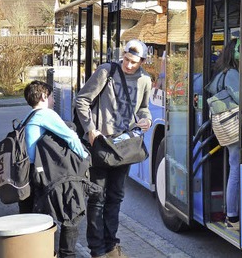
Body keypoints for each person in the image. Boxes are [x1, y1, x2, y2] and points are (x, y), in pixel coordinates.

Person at [75, 39, 152, 258]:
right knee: (97, 197)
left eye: (134, 62)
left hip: (124, 147)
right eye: (127, 60)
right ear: (123, 55)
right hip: (100, 145)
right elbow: (81, 100)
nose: (129, 65)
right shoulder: (106, 71)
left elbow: (144, 108)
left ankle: (111, 246)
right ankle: (97, 250)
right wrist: (90, 128)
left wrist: (146, 120)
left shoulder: (145, 79)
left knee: (116, 197)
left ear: (142, 61)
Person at [20, 80, 90, 258]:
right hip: (41, 174)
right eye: (51, 96)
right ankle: (66, 254)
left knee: (39, 217)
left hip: (28, 172)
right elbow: (71, 137)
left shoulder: (28, 116)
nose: (53, 100)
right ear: (44, 96)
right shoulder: (45, 114)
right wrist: (85, 156)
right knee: (71, 211)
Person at [206, 38, 241, 230]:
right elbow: (241, 98)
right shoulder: (233, 74)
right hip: (233, 126)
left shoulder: (221, 73)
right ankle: (233, 216)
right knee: (235, 169)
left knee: (233, 166)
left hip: (223, 127)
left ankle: (232, 214)